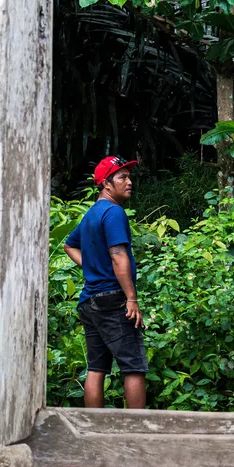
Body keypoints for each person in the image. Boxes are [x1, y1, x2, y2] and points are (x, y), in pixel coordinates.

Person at [63, 155, 147, 409]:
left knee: (97, 368)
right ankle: (138, 430)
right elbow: (119, 256)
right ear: (106, 184)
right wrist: (131, 299)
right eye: (122, 177)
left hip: (90, 301)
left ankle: (93, 428)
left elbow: (69, 245)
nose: (129, 181)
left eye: (129, 176)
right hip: (112, 299)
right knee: (133, 367)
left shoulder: (92, 215)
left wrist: (91, 267)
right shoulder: (113, 212)